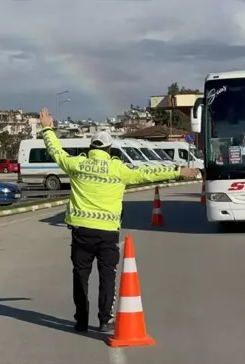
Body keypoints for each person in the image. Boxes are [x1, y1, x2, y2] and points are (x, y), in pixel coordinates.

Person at [38, 108, 200, 333]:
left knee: (80, 276)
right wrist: (178, 170)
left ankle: (81, 320)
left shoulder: (76, 165)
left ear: (90, 148)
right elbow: (147, 174)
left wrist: (47, 127)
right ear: (109, 149)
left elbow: (55, 151)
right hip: (107, 234)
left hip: (81, 233)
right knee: (107, 277)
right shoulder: (119, 169)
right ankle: (105, 320)